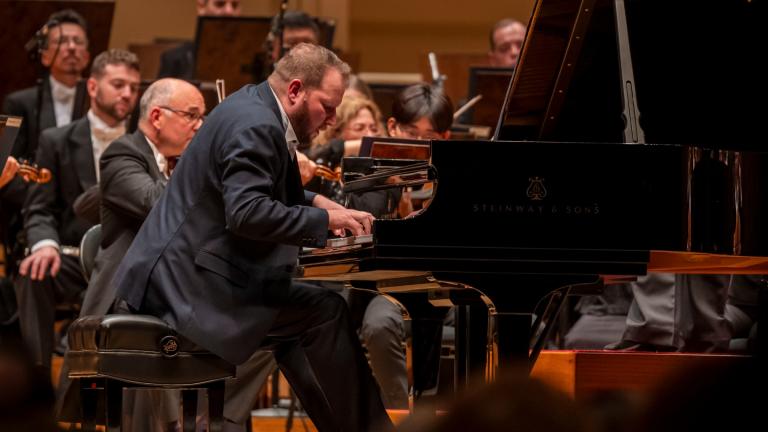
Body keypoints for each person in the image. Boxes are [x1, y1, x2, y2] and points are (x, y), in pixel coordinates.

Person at [113, 43, 391, 432]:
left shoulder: (250, 104)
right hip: (187, 287)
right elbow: (246, 212)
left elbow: (248, 187)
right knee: (323, 311)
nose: (330, 119)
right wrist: (321, 222)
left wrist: (320, 203)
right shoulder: (257, 125)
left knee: (312, 313)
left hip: (184, 272)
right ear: (295, 90)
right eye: (326, 107)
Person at [14, 49, 140, 370]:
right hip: (73, 259)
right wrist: (44, 244)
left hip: (126, 264)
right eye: (118, 84)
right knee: (34, 273)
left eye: (134, 88)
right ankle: (36, 380)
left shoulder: (144, 142)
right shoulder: (55, 140)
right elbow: (39, 207)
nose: (128, 93)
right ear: (93, 87)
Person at [1, 9, 91, 278]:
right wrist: (41, 201)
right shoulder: (19, 102)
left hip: (83, 210)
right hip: (31, 206)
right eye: (62, 42)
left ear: (88, 55)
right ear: (44, 53)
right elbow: (5, 165)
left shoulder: (100, 101)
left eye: (78, 42)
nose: (71, 47)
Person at [157, 0, 243, 80]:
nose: (229, 11)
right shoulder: (174, 59)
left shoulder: (247, 58)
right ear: (201, 7)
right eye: (220, 4)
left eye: (235, 5)